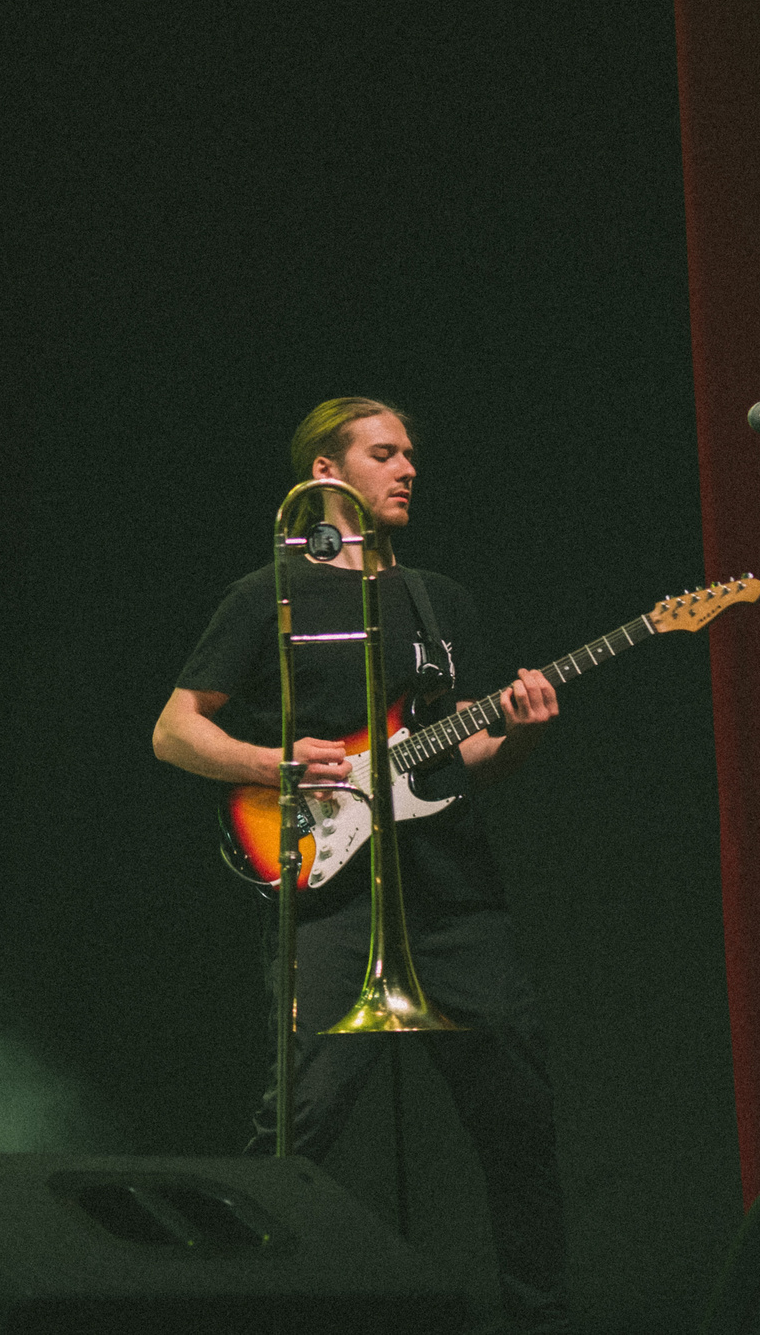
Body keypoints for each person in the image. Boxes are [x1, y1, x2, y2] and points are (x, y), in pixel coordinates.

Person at [151, 397, 568, 1334]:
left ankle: (542, 1318)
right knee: (298, 1128)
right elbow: (174, 731)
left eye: (412, 454)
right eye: (386, 454)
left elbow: (463, 756)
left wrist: (523, 732)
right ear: (327, 474)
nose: (408, 468)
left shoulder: (440, 598)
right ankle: (235, 1312)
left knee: (521, 1127)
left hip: (457, 902)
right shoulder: (271, 592)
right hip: (332, 900)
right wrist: (274, 762)